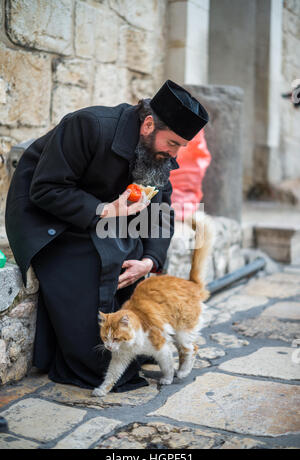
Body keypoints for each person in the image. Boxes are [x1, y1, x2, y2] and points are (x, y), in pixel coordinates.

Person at [5, 80, 209, 392]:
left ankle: (135, 349)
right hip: (49, 216)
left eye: (182, 146)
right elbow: (45, 189)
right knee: (95, 263)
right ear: (149, 124)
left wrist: (150, 260)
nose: (175, 153)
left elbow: (161, 212)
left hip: (110, 219)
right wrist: (103, 209)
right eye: (173, 143)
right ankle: (92, 362)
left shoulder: (159, 154)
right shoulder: (88, 125)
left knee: (132, 257)